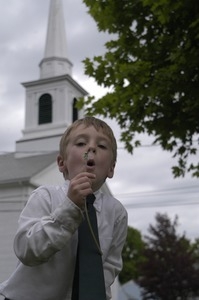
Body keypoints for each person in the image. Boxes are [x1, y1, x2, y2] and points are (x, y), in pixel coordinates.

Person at [0, 116, 128, 300]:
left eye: (102, 146)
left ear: (111, 168)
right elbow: (26, 250)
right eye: (81, 143)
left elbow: (110, 266)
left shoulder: (117, 213)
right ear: (62, 163)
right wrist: (70, 207)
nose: (91, 148)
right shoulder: (45, 196)